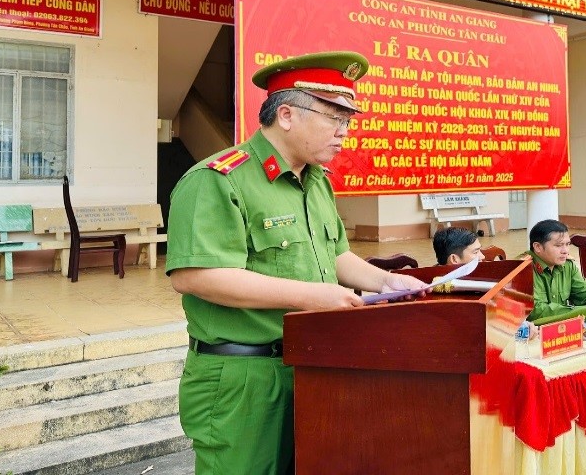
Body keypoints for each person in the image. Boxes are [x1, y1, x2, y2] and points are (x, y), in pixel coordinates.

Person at [165, 51, 426, 475]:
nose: (344, 133)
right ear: (286, 115)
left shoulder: (316, 181)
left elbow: (336, 254)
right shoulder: (218, 179)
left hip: (310, 363)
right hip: (244, 377)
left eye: (348, 121)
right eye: (334, 118)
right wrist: (312, 296)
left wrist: (386, 282)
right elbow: (195, 276)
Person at [523, 219, 586, 323]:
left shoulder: (567, 265)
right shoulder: (522, 269)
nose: (565, 251)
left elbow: (585, 294)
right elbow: (536, 312)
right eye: (558, 245)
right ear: (538, 247)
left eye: (567, 244)